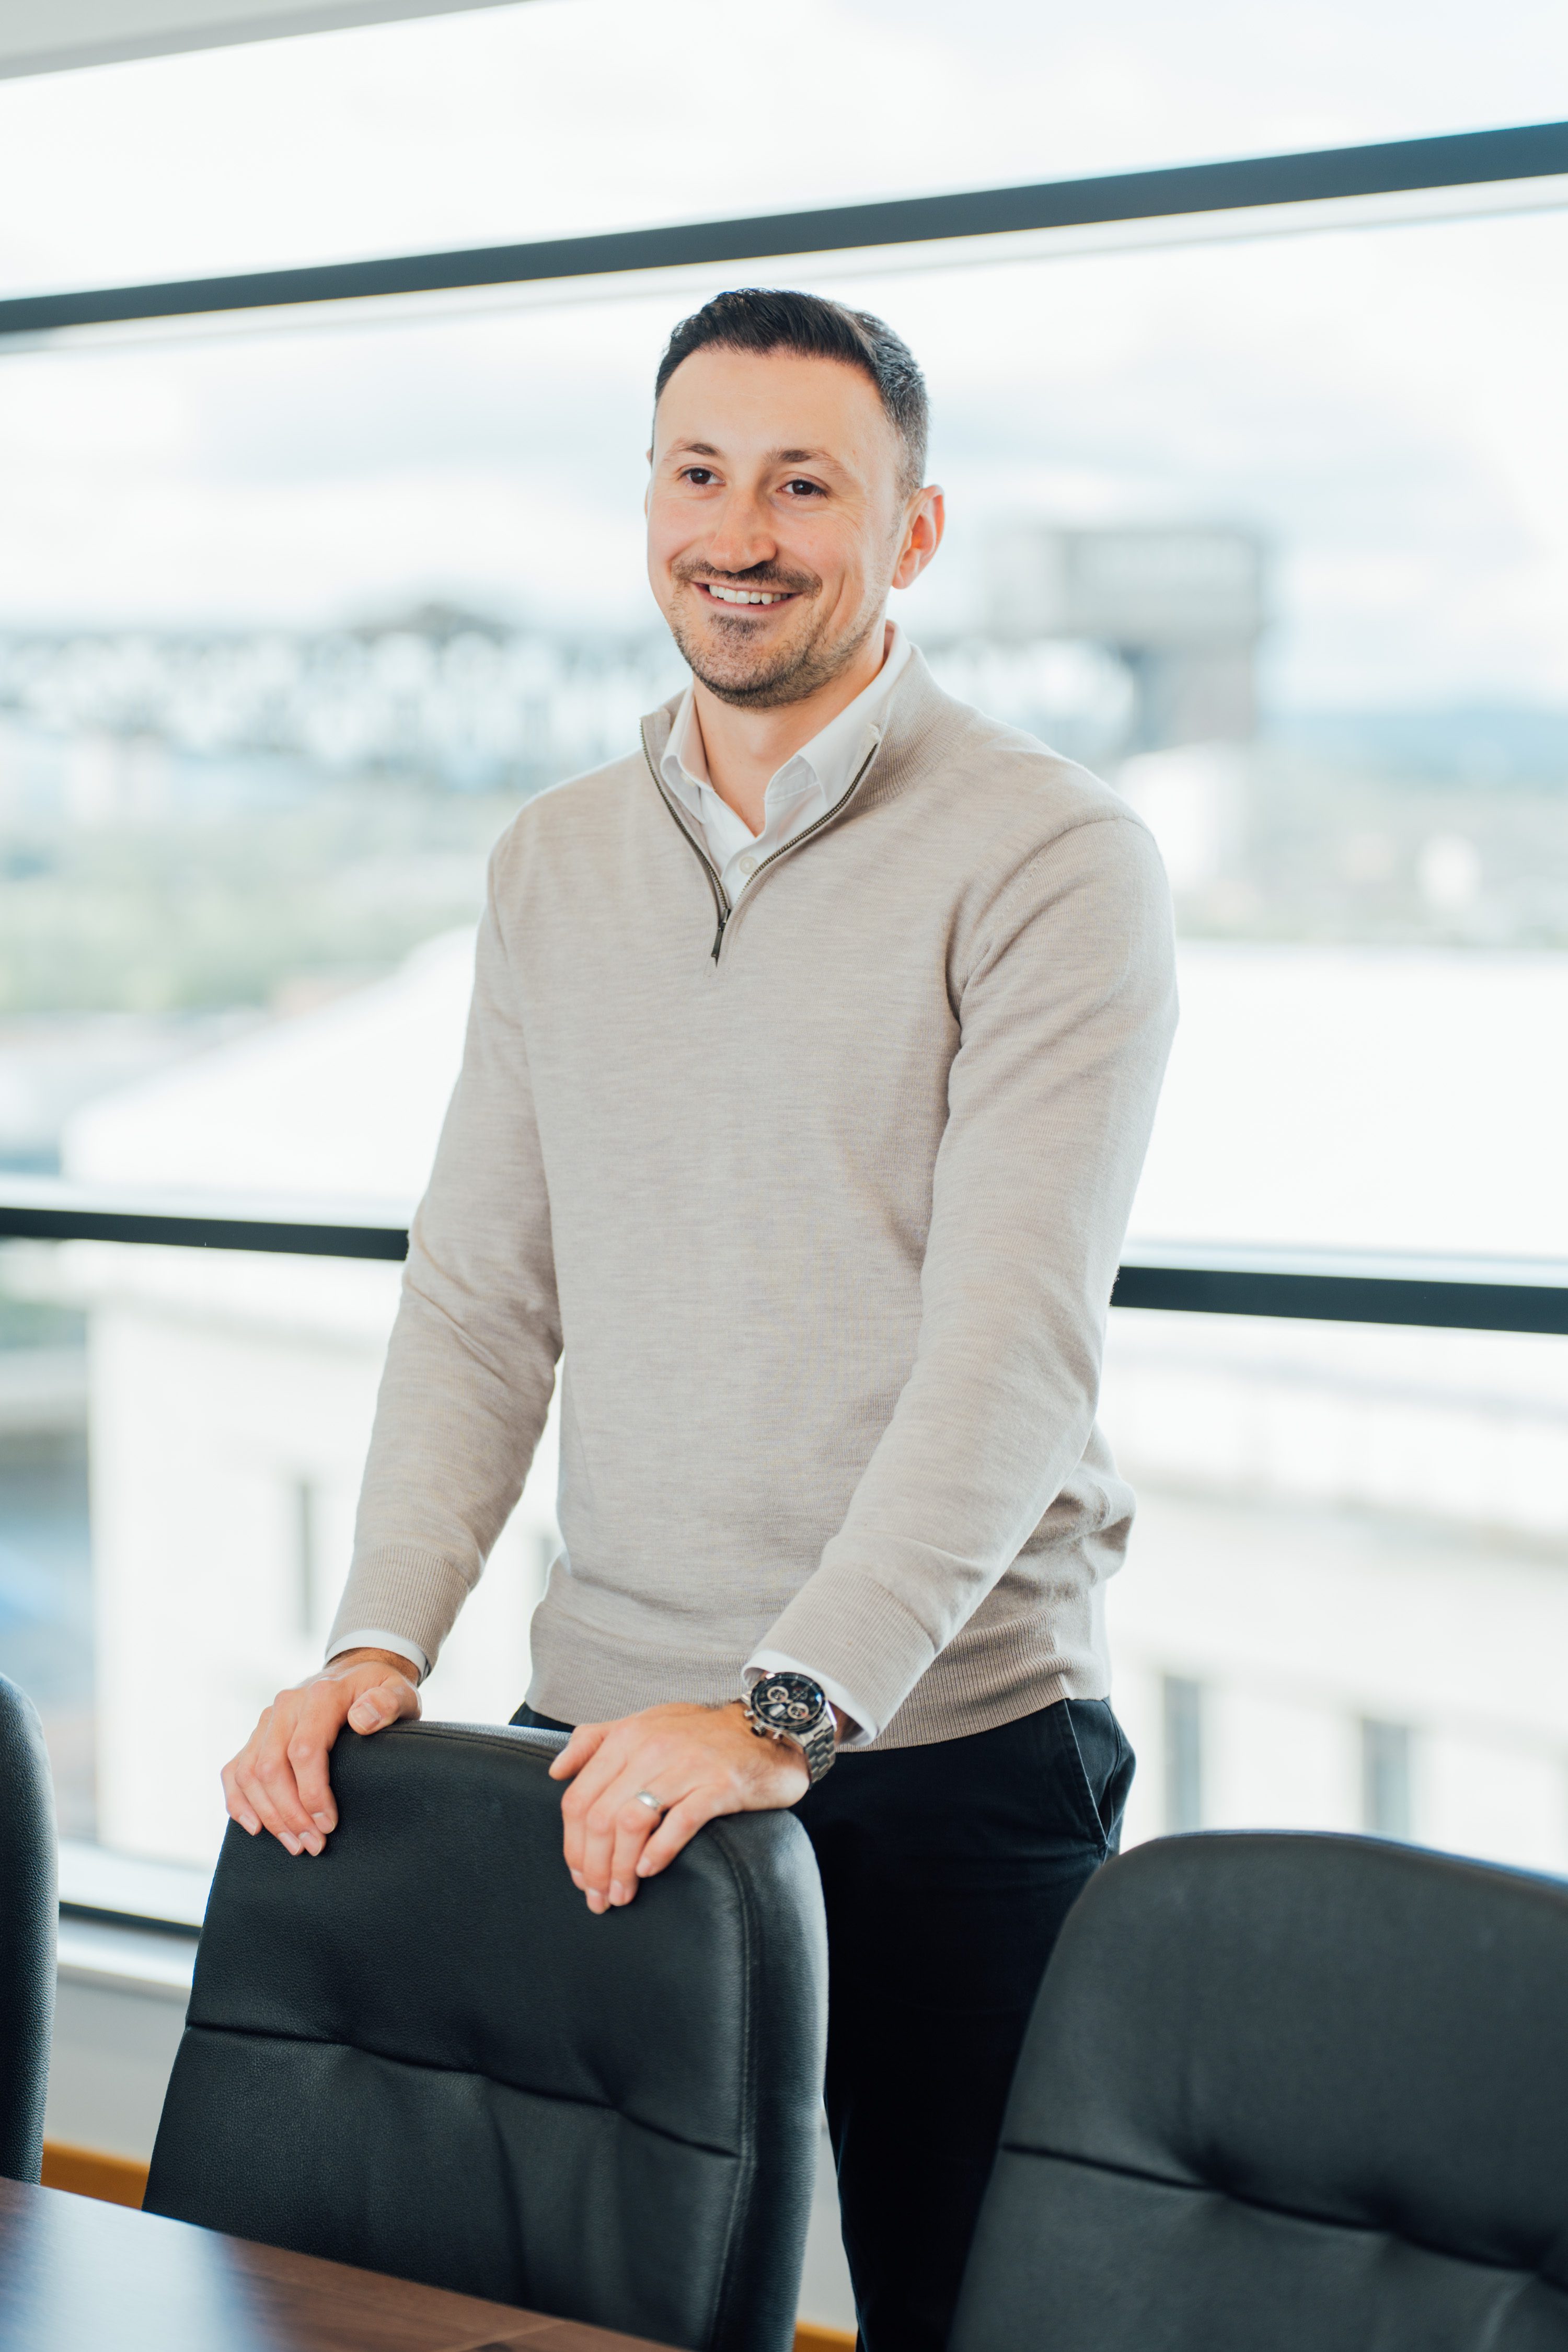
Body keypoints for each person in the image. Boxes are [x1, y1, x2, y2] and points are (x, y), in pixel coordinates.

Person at [222, 287, 1178, 2351]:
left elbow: (1010, 1347)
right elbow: (486, 1288)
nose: (739, 529)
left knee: (975, 2320)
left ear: (913, 533)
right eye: (699, 472)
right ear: (647, 499)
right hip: (611, 1751)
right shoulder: (556, 861)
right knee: (593, 2315)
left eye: (806, 484)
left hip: (948, 1748)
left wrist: (788, 1712)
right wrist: (380, 1642)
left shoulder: (1052, 857)